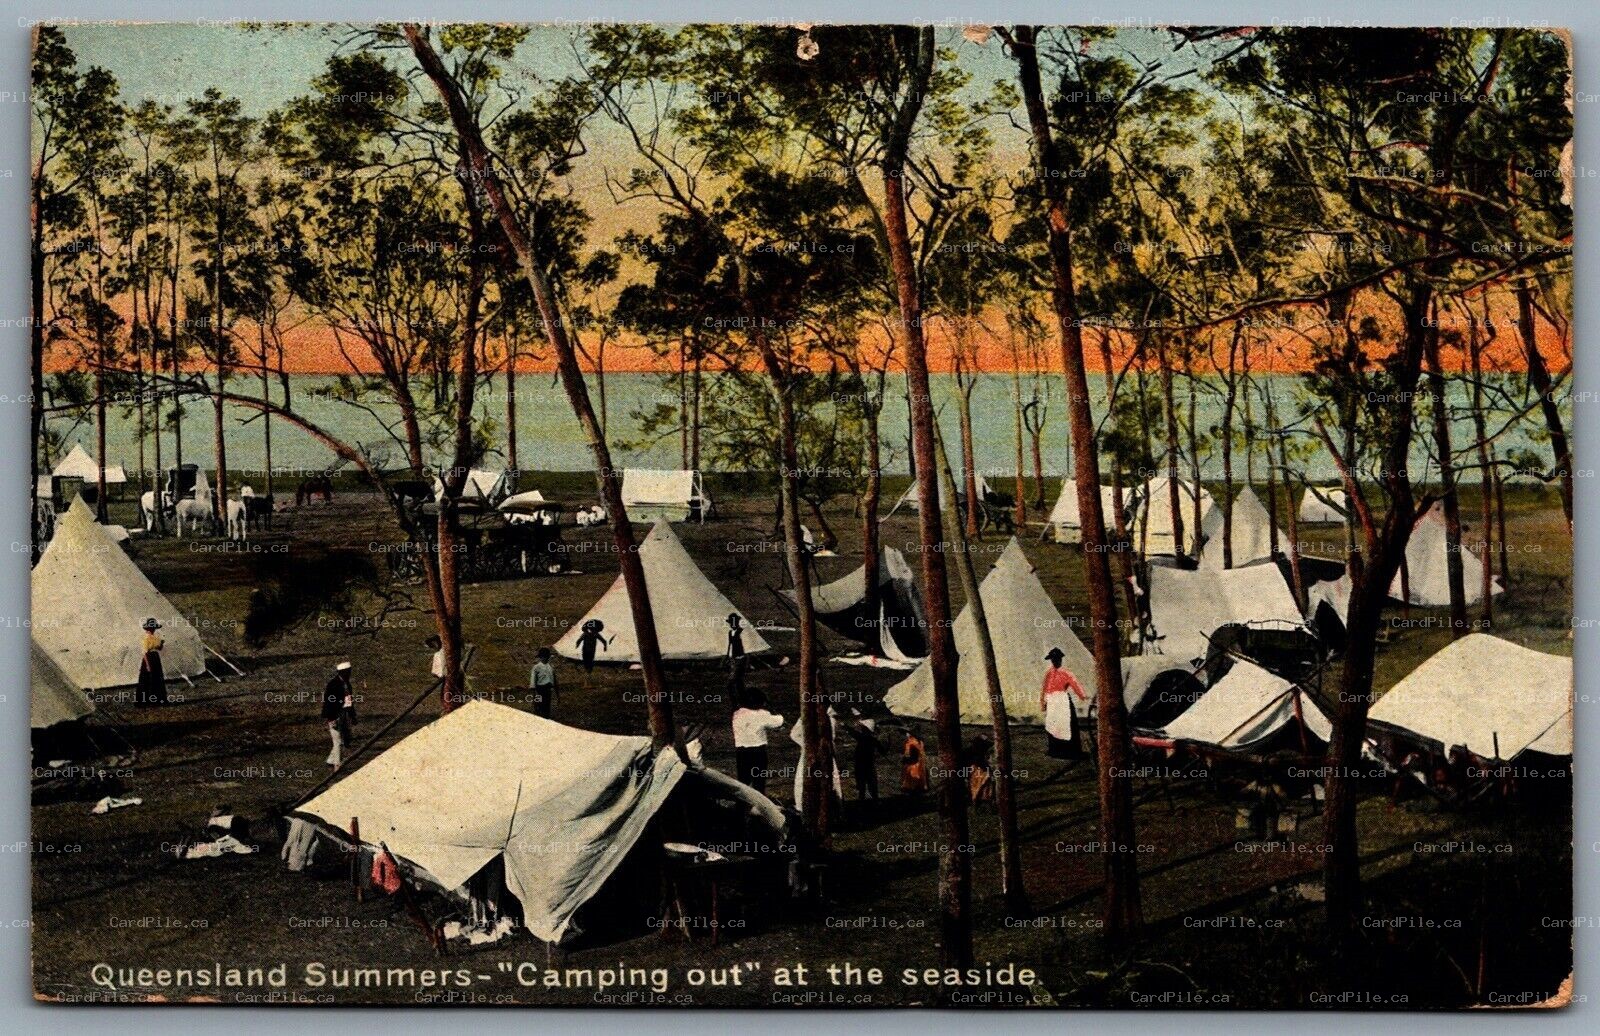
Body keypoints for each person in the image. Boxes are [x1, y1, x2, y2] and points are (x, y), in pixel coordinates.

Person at [731, 688, 784, 793]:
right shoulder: (762, 714)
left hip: (741, 752)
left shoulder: (737, 714)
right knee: (759, 782)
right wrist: (770, 708)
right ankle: (759, 805)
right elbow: (779, 721)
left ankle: (741, 805)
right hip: (758, 752)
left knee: (743, 782)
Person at [1040, 647, 1088, 760]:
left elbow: (1075, 685)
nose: (1055, 661)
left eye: (1057, 659)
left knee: (1067, 725)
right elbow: (1044, 688)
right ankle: (1054, 750)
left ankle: (1070, 751)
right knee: (1053, 724)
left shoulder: (1066, 673)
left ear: (1060, 660)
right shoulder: (1048, 674)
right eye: (1053, 659)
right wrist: (1043, 702)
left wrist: (1082, 696)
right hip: (1052, 701)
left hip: (1062, 700)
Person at [323, 661, 356, 770]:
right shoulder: (333, 685)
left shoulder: (346, 684)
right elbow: (328, 703)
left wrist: (352, 716)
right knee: (338, 741)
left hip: (344, 715)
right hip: (335, 715)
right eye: (348, 672)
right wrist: (331, 718)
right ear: (343, 672)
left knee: (342, 740)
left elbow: (349, 702)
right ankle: (337, 764)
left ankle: (331, 760)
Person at [846, 708, 882, 801]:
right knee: (872, 784)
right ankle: (875, 800)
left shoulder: (862, 737)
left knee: (862, 785)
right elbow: (883, 751)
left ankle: (863, 800)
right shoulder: (873, 739)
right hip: (870, 765)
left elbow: (853, 733)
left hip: (861, 765)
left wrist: (845, 726)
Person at [136, 618, 167, 706]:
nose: (153, 630)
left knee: (156, 677)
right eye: (151, 628)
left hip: (155, 658)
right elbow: (144, 652)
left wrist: (161, 644)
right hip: (149, 658)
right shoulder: (146, 638)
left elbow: (159, 648)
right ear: (148, 629)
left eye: (154, 628)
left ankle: (157, 699)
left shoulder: (155, 637)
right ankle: (147, 700)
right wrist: (147, 665)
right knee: (148, 679)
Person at [529, 647, 557, 719]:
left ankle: (546, 717)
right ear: (540, 657)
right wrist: (534, 690)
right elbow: (533, 679)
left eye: (547, 656)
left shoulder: (550, 667)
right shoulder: (536, 667)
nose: (545, 658)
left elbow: (553, 678)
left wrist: (554, 688)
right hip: (540, 688)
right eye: (543, 657)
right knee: (539, 705)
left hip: (548, 689)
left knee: (547, 705)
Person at [725, 613, 747, 699]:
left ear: (737, 622)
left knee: (732, 681)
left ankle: (736, 699)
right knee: (738, 681)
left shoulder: (741, 631)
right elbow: (730, 645)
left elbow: (745, 647)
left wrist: (745, 659)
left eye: (734, 622)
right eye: (731, 623)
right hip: (733, 658)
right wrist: (728, 656)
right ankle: (742, 697)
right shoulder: (730, 632)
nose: (732, 624)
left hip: (740, 658)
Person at [900, 729, 929, 794]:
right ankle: (920, 787)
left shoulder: (910, 742)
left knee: (912, 774)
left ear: (910, 734)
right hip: (919, 760)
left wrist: (905, 758)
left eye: (907, 733)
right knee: (919, 773)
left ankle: (911, 788)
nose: (906, 734)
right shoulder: (919, 741)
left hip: (913, 761)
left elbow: (908, 753)